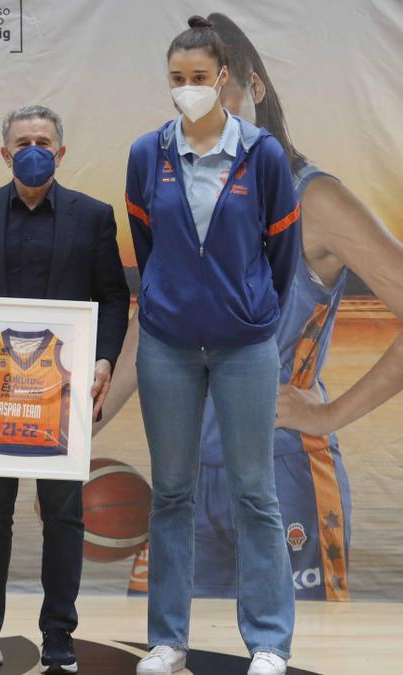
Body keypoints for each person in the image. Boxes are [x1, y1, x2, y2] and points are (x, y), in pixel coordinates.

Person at [102, 10, 403, 606]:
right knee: (165, 648)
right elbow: (152, 324)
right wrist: (70, 427)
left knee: (295, 655)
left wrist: (329, 414)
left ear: (253, 89)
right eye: (185, 87)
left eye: (215, 85)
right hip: (183, 472)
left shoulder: (313, 196)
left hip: (280, 468)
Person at [125, 16, 302, 675]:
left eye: (199, 78)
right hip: (167, 346)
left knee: (256, 490)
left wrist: (245, 310)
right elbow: (149, 250)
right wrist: (179, 301)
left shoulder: (264, 156)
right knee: (172, 491)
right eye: (177, 80)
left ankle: (268, 642)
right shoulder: (147, 155)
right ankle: (168, 639)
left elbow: (280, 257)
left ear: (224, 79)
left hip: (245, 348)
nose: (188, 89)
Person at [0, 105, 129, 675]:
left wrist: (106, 358)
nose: (33, 149)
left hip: (60, 398)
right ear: (5, 152)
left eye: (43, 141)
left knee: (63, 516)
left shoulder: (93, 216)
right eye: (23, 142)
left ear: (60, 153)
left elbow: (113, 296)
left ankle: (58, 634)